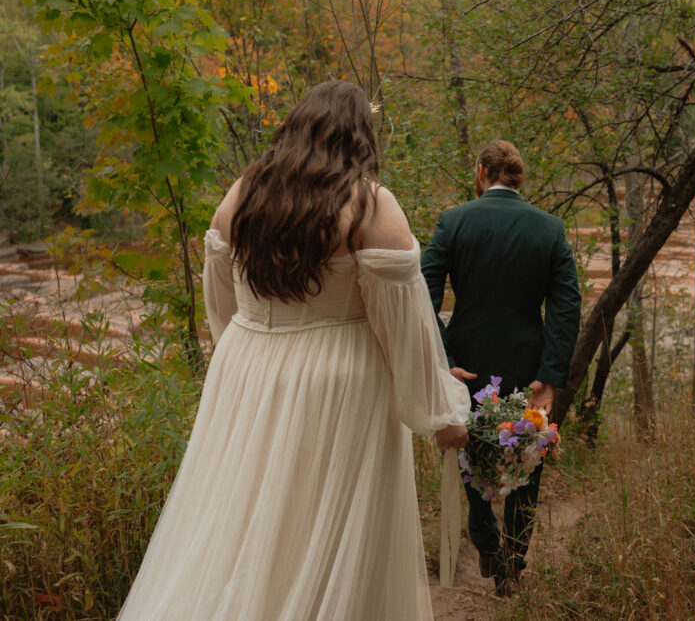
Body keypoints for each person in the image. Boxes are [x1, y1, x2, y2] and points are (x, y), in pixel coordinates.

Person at [118, 81, 470, 620]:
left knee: (242, 517)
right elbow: (404, 330)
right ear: (360, 137)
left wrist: (251, 348)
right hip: (340, 378)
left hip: (247, 368)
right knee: (327, 523)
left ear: (294, 128)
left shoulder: (241, 196)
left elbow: (223, 304)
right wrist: (441, 412)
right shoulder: (372, 205)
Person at [420, 140, 581, 595]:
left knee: (470, 448)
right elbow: (567, 307)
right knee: (527, 462)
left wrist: (443, 360)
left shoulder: (453, 222)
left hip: (467, 366)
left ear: (481, 171)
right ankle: (513, 561)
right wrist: (549, 377)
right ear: (516, 178)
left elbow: (421, 297)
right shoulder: (549, 229)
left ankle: (485, 539)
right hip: (529, 366)